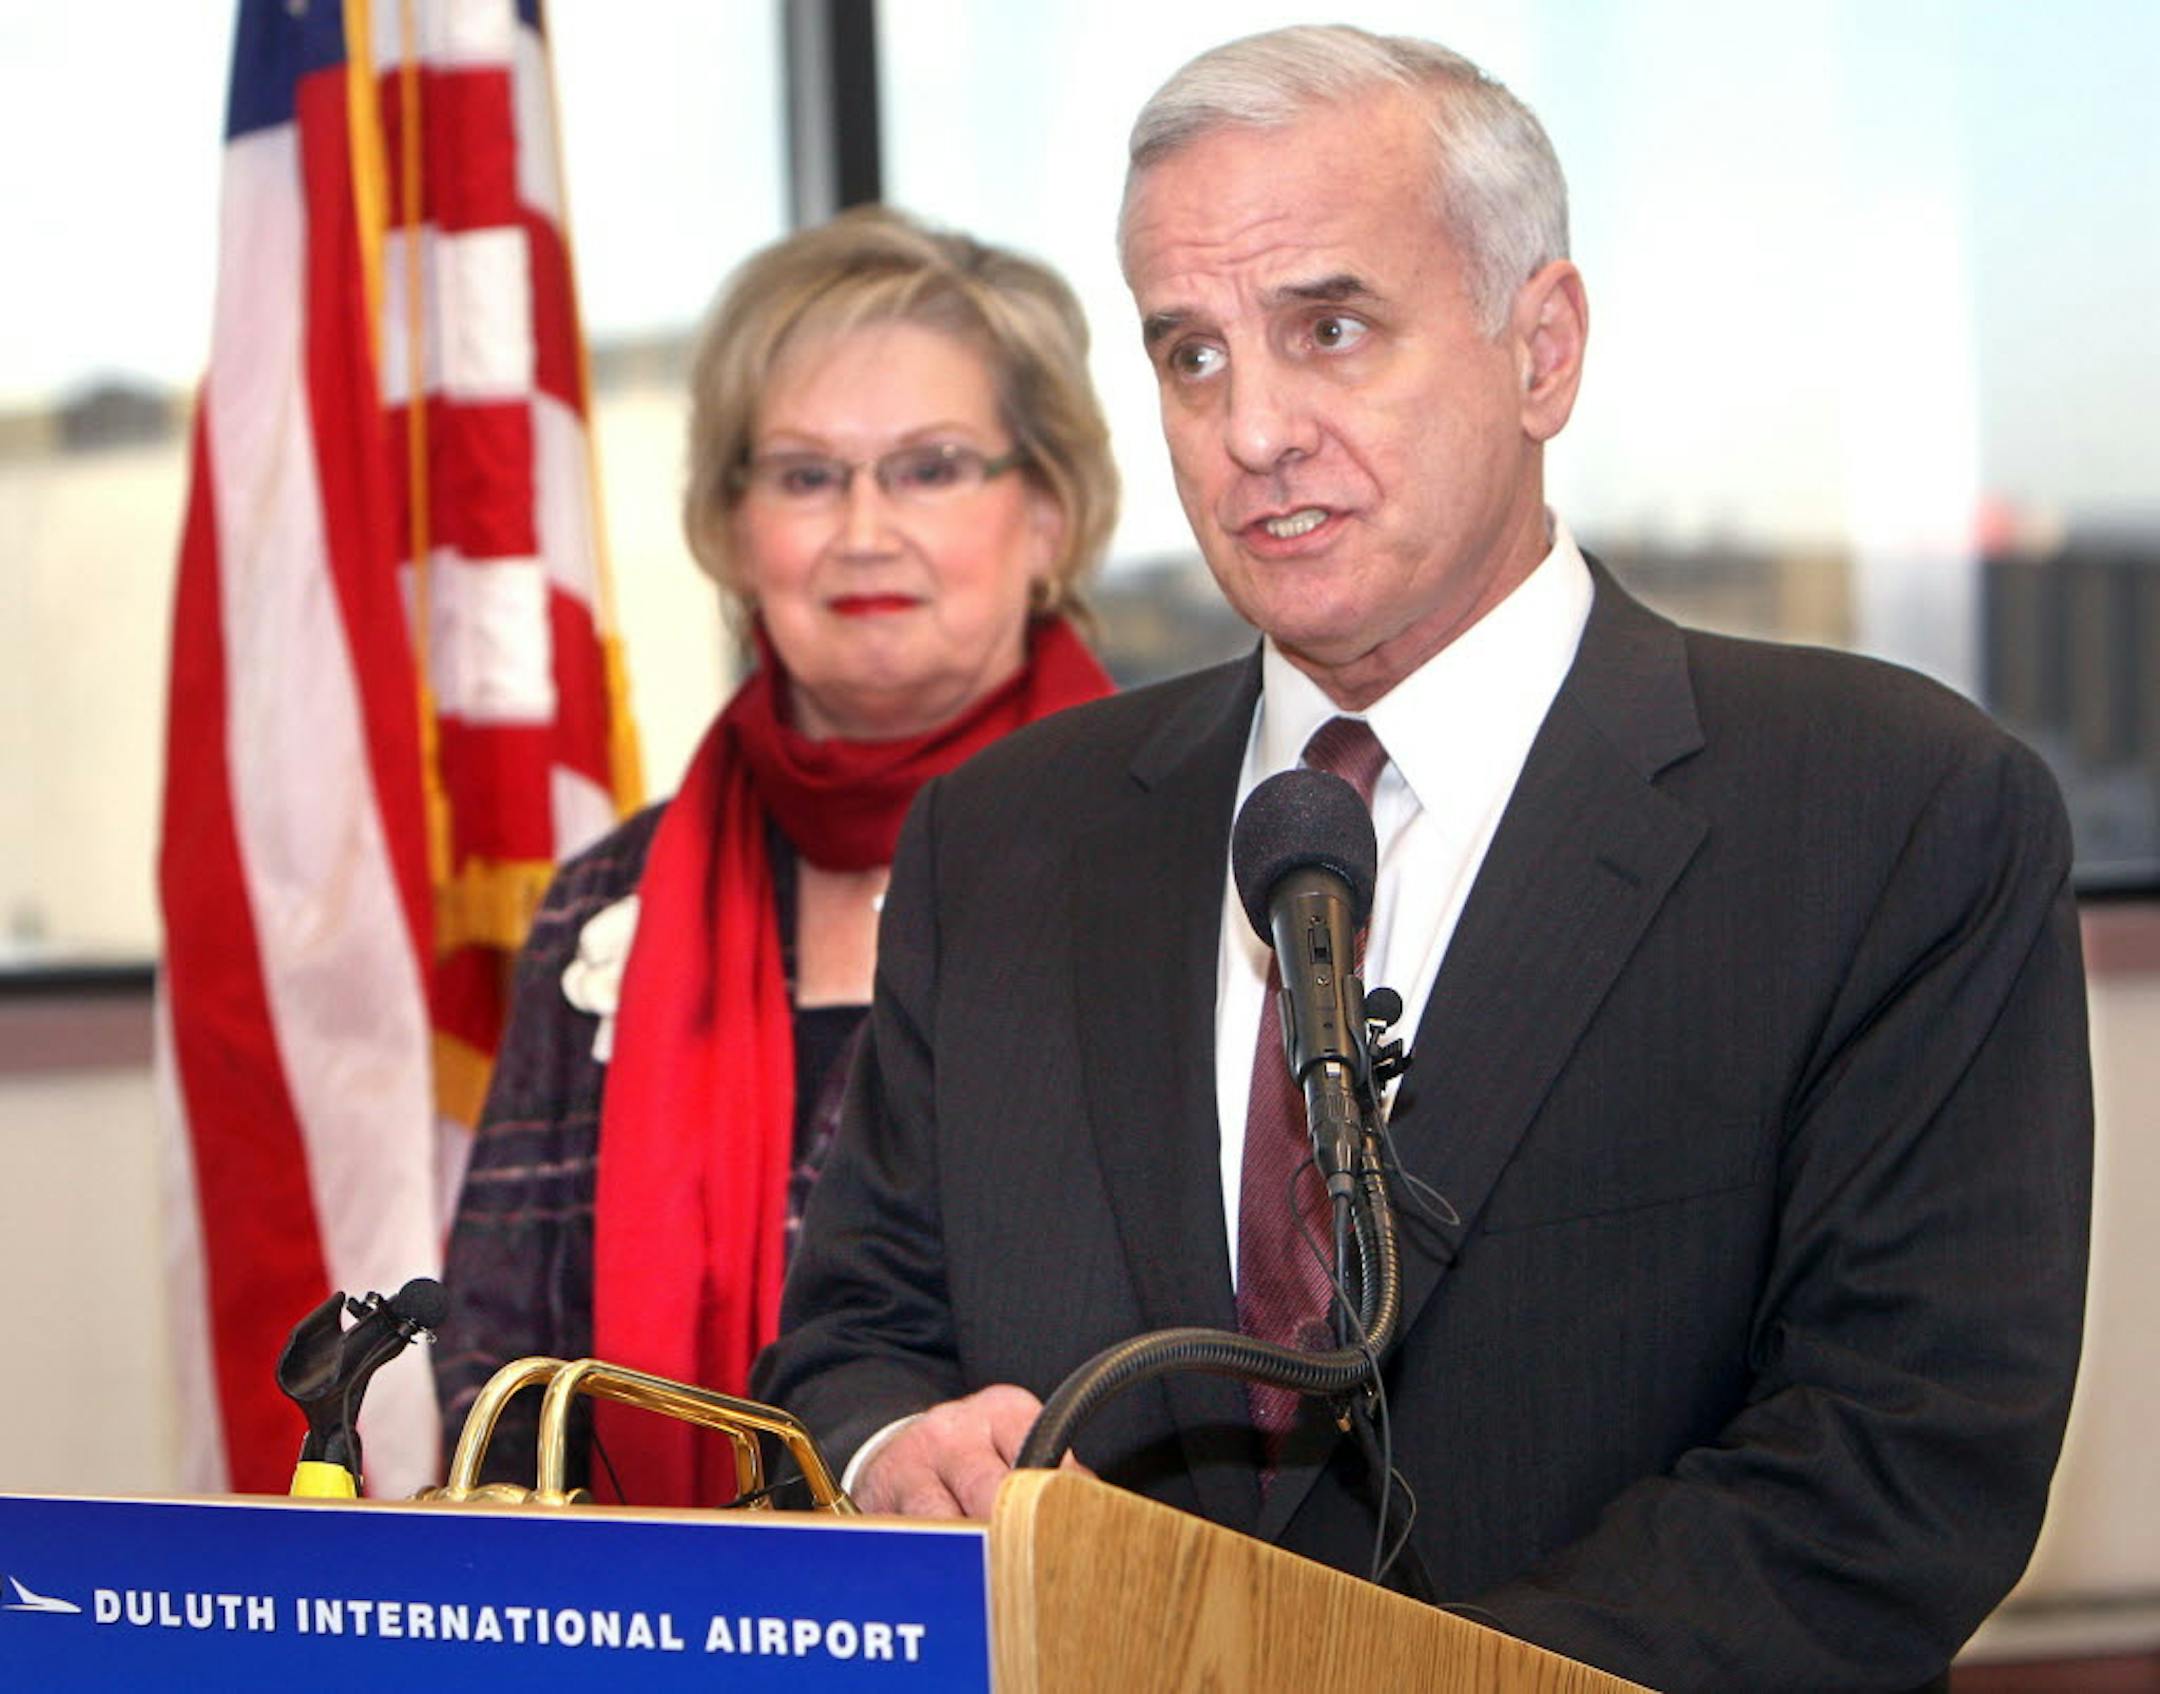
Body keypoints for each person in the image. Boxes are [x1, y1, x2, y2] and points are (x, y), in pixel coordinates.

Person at [751, 27, 2092, 1693]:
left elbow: (1897, 1465)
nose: (1251, 429)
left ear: (1544, 349)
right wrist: (891, 1452)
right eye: (1189, 353)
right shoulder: (1005, 834)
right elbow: (852, 1337)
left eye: (1329, 328)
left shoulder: (1887, 812)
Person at [434, 206, 1118, 1507]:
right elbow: (500, 1354)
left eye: (928, 468)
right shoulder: (605, 904)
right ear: (737, 527)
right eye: (805, 475)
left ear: (1046, 513)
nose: (863, 526)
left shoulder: (1190, 863)